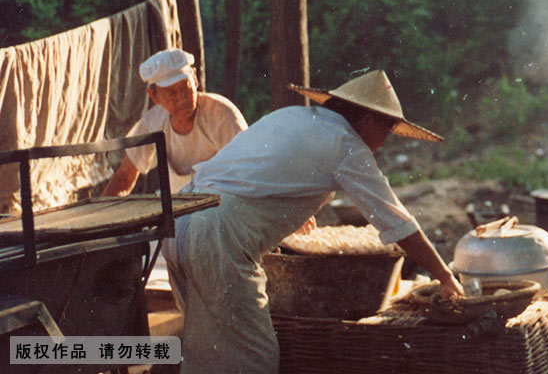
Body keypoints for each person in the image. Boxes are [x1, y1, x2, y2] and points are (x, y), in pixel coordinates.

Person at [162, 70, 466, 374]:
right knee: (252, 359)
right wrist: (444, 275)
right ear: (369, 118)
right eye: (386, 127)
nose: (385, 139)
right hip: (216, 236)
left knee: (206, 355)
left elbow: (251, 177)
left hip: (180, 222)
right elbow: (397, 221)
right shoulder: (345, 143)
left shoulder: (292, 116)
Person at [101, 48, 248, 196]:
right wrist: (99, 216)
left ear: (195, 79)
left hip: (224, 205)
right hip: (180, 211)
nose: (182, 97)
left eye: (186, 87)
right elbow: (124, 178)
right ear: (154, 95)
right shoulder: (153, 122)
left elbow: (248, 170)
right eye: (172, 92)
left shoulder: (221, 115)